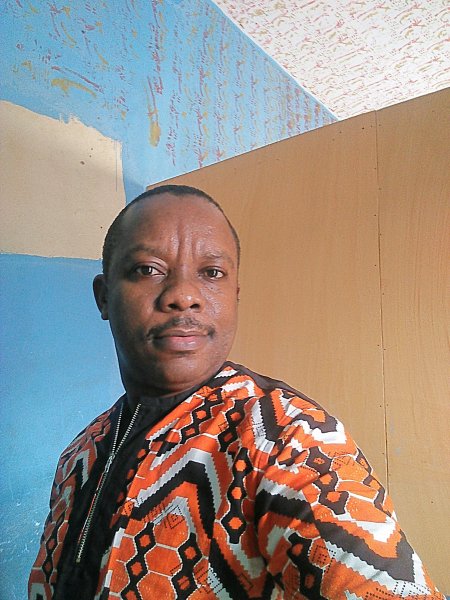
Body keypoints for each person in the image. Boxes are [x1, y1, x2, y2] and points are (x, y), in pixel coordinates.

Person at [29, 185, 443, 599]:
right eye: (148, 269)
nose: (183, 296)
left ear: (235, 296)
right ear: (104, 297)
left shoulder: (288, 438)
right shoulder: (79, 453)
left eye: (212, 273)